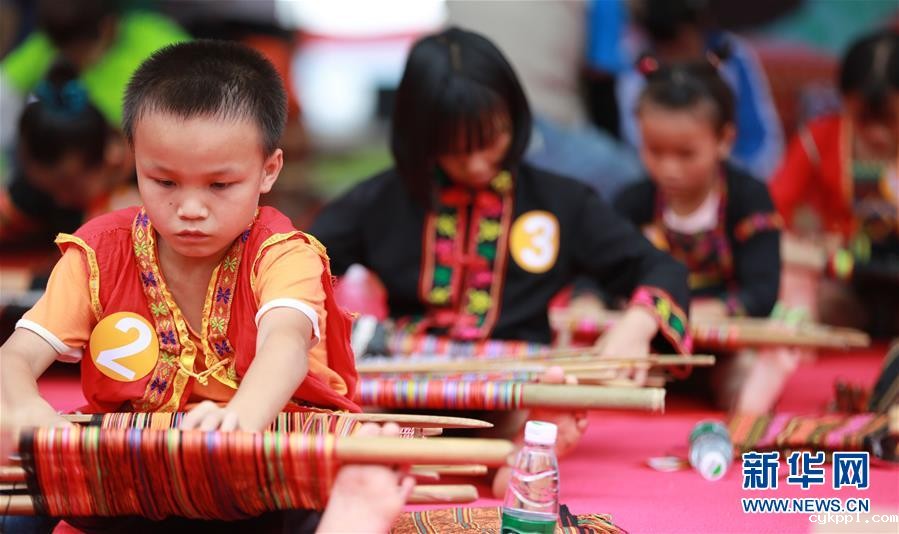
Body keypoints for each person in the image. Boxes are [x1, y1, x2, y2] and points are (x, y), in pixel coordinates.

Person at [0, 40, 412, 532]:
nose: (191, 209)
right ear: (133, 162)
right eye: (164, 182)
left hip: (263, 476)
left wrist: (238, 420)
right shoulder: (99, 252)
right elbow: (15, 356)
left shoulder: (283, 251)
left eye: (219, 186)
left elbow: (285, 344)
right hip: (133, 480)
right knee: (23, 498)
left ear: (269, 170)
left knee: (325, 499)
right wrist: (24, 405)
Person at [310, 27, 692, 492]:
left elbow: (661, 268)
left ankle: (522, 445)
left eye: (490, 139)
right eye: (455, 150)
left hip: (513, 389)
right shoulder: (382, 200)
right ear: (420, 137)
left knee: (547, 391)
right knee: (339, 400)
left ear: (515, 116)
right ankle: (496, 456)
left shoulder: (561, 202)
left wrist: (635, 325)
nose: (475, 164)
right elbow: (297, 261)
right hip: (404, 387)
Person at [612, 56, 791, 413]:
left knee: (739, 380)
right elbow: (600, 273)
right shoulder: (632, 201)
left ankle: (755, 391)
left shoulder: (748, 198)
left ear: (724, 139)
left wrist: (698, 312)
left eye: (685, 153)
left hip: (722, 350)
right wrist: (589, 302)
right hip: (653, 347)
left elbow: (761, 292)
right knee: (614, 373)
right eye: (654, 151)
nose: (668, 168)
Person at [770, 30, 899, 339]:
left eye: (890, 118)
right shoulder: (819, 140)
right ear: (844, 99)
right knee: (807, 297)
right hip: (847, 291)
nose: (877, 134)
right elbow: (768, 217)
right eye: (865, 118)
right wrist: (814, 248)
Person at [616, 0, 783, 180]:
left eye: (682, 45)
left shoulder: (731, 56)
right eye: (668, 51)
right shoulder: (637, 66)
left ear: (698, 25)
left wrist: (731, 186)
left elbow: (762, 141)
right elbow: (638, 142)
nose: (678, 59)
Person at [0, 0, 188, 149]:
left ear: (107, 27)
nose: (72, 59)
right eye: (63, 51)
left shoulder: (157, 42)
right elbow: (5, 90)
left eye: (79, 51)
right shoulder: (48, 44)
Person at [1, 60, 135, 248]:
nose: (60, 200)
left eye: (70, 186)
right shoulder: (39, 188)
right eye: (49, 189)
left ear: (111, 157)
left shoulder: (149, 185)